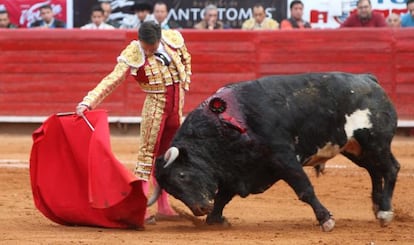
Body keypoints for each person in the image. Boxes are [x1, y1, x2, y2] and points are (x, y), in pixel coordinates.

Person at [75, 21, 191, 224]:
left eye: (152, 47)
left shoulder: (171, 40)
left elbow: (186, 60)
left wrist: (185, 82)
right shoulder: (133, 52)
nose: (148, 51)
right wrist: (89, 101)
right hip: (155, 107)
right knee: (147, 157)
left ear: (158, 39)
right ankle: (140, 209)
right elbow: (113, 79)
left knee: (167, 158)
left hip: (175, 110)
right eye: (146, 47)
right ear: (140, 40)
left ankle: (163, 205)